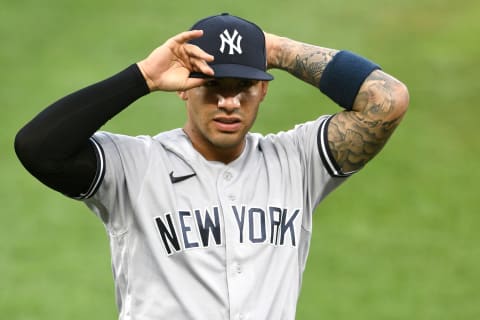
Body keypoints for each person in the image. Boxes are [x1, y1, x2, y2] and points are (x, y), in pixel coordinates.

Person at [14, 13, 409, 320]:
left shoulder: (297, 163)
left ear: (264, 89)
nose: (229, 102)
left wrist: (273, 50)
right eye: (213, 86)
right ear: (185, 86)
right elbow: (38, 147)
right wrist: (144, 76)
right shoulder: (134, 167)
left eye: (244, 87)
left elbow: (387, 99)